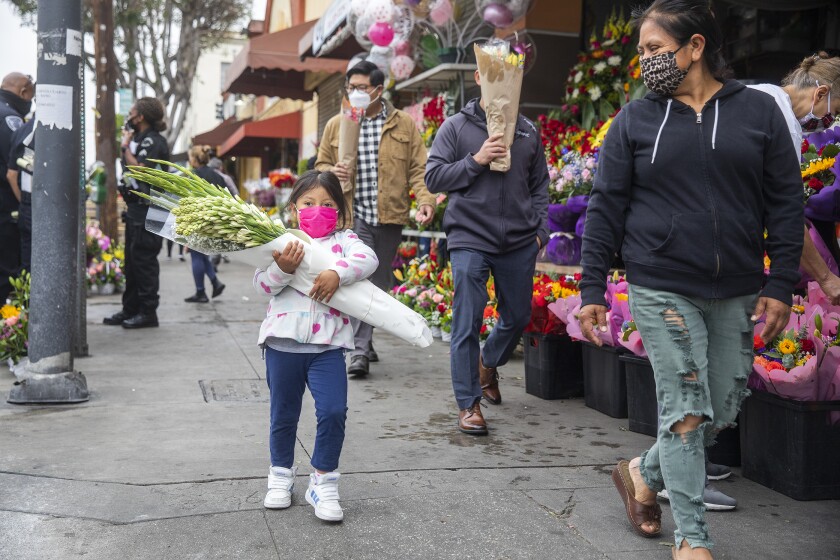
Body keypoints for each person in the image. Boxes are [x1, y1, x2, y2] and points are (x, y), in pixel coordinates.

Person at [578, 2, 803, 558]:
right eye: (642, 52)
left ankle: (640, 471)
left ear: (695, 46)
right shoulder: (634, 119)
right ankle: (693, 538)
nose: (645, 61)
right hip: (661, 283)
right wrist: (589, 289)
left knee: (721, 408)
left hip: (739, 285)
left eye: (655, 49)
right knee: (684, 408)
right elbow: (605, 207)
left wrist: (781, 283)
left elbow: (785, 202)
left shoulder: (757, 111)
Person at [425, 71, 550, 434]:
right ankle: (469, 404)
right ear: (479, 76)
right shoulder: (456, 126)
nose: (503, 81)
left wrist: (539, 233)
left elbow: (540, 184)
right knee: (467, 320)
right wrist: (475, 160)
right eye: (494, 74)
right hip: (469, 238)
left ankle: (487, 362)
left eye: (512, 74)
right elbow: (434, 178)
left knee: (518, 315)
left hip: (518, 241)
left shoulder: (527, 129)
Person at [254, 170, 377, 522]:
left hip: (327, 349)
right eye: (309, 203)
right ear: (294, 208)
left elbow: (369, 258)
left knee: (334, 411)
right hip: (282, 346)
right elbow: (262, 285)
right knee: (284, 416)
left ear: (339, 209)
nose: (317, 209)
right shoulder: (279, 241)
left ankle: (323, 481)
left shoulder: (346, 241)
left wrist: (339, 272)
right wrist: (282, 270)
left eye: (327, 204)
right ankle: (280, 475)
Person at [316, 60, 436, 377]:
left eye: (361, 88)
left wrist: (425, 200)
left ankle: (363, 342)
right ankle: (359, 352)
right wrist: (330, 171)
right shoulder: (338, 124)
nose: (354, 94)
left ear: (378, 90)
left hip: (389, 215)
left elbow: (418, 169)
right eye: (350, 88)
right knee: (356, 277)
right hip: (353, 217)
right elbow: (319, 165)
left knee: (379, 282)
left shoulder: (404, 125)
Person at [750, 53, 840, 301]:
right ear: (820, 93)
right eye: (836, 110)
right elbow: (784, 210)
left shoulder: (763, 93)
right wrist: (826, 278)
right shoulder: (782, 120)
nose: (831, 122)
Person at [104, 97, 170, 328]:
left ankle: (148, 312)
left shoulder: (153, 141)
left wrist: (124, 146)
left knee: (144, 261)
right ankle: (130, 309)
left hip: (149, 210)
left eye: (131, 113)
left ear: (140, 117)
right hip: (135, 209)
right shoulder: (139, 139)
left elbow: (141, 170)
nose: (128, 117)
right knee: (131, 262)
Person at [0, 72, 34, 302]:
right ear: (23, 92)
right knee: (8, 274)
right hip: (5, 209)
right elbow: (15, 168)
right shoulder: (10, 118)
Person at [183, 146, 226, 303]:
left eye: (190, 157)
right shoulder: (217, 176)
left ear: (194, 159)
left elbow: (185, 200)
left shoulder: (192, 175)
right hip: (215, 221)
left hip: (198, 220)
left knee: (196, 254)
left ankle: (201, 292)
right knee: (200, 254)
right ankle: (215, 283)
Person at [6, 118, 34, 272]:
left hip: (26, 202)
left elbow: (11, 174)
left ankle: (26, 295)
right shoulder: (50, 130)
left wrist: (23, 201)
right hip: (41, 203)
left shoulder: (21, 130)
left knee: (27, 263)